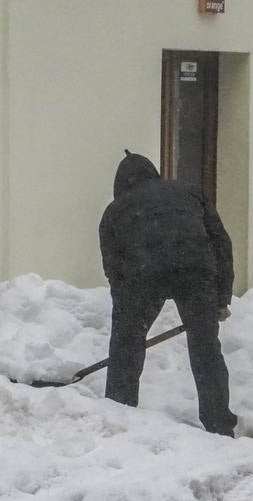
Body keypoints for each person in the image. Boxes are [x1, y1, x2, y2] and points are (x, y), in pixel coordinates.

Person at [99, 151, 237, 437]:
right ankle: (219, 424)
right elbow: (221, 244)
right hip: (194, 270)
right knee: (205, 350)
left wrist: (126, 318)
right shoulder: (189, 193)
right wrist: (221, 299)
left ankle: (118, 415)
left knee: (126, 348)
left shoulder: (114, 212)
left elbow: (114, 269)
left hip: (143, 274)